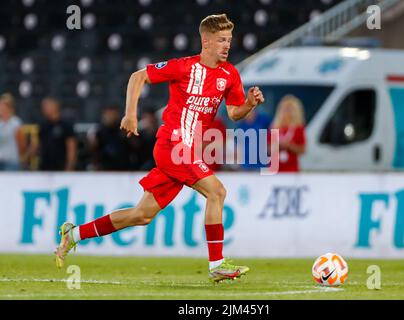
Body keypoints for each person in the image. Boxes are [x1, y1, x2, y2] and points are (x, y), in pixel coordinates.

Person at [55, 14, 265, 282]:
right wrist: (130, 113)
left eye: (229, 40)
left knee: (141, 215)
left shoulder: (229, 74)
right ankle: (217, 265)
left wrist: (250, 103)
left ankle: (73, 234)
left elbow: (235, 113)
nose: (227, 45)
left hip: (188, 151)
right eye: (222, 40)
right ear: (206, 41)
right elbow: (137, 77)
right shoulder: (183, 67)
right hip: (172, 145)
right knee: (217, 192)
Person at [37, 97, 77, 171]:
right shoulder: (43, 126)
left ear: (55, 106)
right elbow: (39, 145)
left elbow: (71, 148)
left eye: (46, 106)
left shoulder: (66, 125)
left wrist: (70, 166)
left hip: (61, 168)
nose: (44, 109)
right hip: (45, 168)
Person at [270, 95, 307, 172]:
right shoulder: (274, 127)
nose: (286, 112)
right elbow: (268, 149)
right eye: (284, 109)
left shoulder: (298, 129)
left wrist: (290, 146)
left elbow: (302, 149)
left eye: (289, 109)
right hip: (275, 168)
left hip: (291, 169)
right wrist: (278, 146)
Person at [89, 105, 131, 171]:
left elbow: (134, 147)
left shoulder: (123, 129)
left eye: (113, 114)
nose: (111, 116)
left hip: (123, 165)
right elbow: (93, 150)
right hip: (104, 165)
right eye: (108, 114)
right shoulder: (98, 130)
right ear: (104, 114)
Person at [0, 93, 26, 170]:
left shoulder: (16, 122)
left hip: (11, 162)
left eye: (2, 105)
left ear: (9, 107)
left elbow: (22, 144)